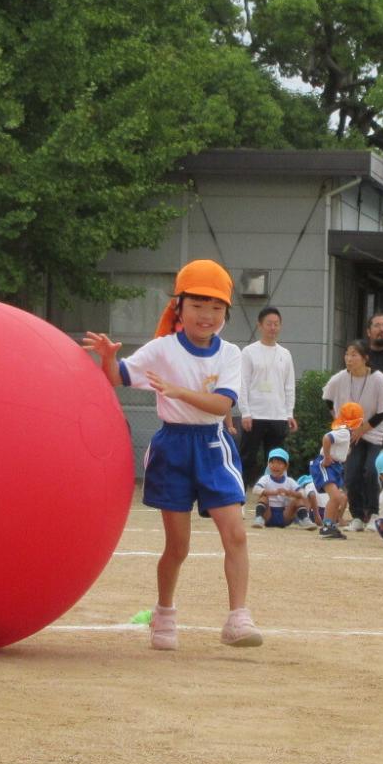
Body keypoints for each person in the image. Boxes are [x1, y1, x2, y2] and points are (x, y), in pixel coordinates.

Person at [84, 259, 261, 651]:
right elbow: (117, 378)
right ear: (178, 307)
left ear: (226, 314)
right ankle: (164, 613)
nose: (207, 315)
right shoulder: (162, 349)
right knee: (177, 546)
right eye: (198, 305)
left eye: (216, 308)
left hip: (214, 447)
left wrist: (179, 392)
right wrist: (109, 358)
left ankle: (238, 617)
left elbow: (220, 406)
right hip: (173, 448)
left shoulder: (231, 353)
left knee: (235, 533)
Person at [322, 342, 383, 526]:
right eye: (347, 354)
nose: (349, 359)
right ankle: (357, 515)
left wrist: (363, 428)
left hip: (374, 433)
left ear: (365, 358)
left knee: (371, 470)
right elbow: (327, 399)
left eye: (354, 355)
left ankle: (374, 512)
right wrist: (342, 421)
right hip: (350, 435)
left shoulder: (378, 378)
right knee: (351, 475)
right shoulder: (340, 378)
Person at [237, 305, 297, 490]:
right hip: (254, 414)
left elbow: (289, 386)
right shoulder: (248, 352)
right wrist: (245, 412)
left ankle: (272, 491)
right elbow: (242, 383)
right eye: (269, 324)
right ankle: (240, 489)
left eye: (276, 324)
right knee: (247, 455)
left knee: (276, 456)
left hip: (278, 415)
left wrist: (289, 413)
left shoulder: (285, 354)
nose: (273, 328)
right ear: (260, 325)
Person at [251, 447, 309, 529]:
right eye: (272, 463)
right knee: (263, 497)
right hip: (268, 515)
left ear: (286, 466)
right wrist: (272, 492)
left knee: (297, 500)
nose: (275, 466)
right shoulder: (265, 478)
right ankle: (259, 519)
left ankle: (305, 519)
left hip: (285, 515)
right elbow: (255, 490)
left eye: (279, 463)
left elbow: (303, 493)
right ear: (268, 464)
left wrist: (290, 493)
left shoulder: (289, 481)